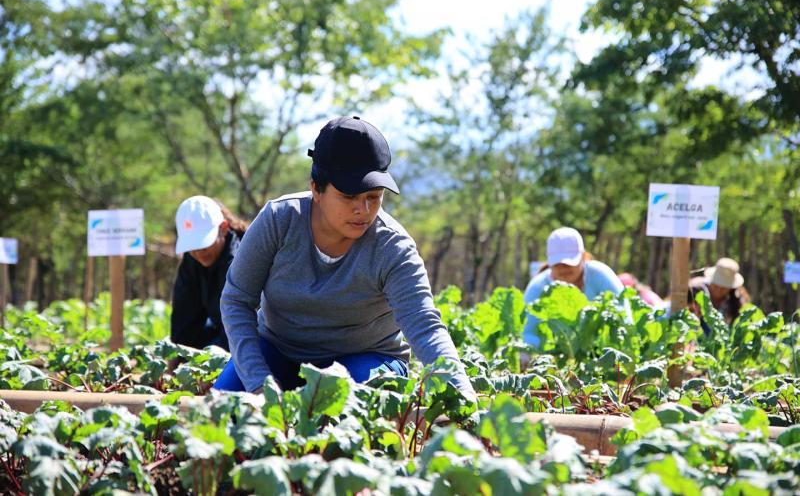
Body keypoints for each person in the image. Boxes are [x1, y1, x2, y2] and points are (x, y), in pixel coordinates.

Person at [213, 115, 474, 398]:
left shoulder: (393, 247)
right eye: (349, 196)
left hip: (367, 360)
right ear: (316, 188)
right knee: (228, 410)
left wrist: (461, 396)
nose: (363, 209)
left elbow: (424, 325)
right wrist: (257, 381)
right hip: (280, 353)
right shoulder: (279, 221)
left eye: (374, 196)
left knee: (347, 414)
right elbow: (237, 300)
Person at [522, 227, 625, 346]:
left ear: (582, 256)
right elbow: (528, 332)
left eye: (569, 263)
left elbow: (623, 318)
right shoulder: (538, 287)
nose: (564, 268)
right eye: (558, 264)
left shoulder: (600, 275)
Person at [170, 196, 248, 351]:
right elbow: (184, 318)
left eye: (204, 244)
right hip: (218, 332)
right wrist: (177, 357)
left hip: (249, 340)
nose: (198, 253)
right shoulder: (191, 260)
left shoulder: (242, 258)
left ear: (224, 228)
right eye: (192, 246)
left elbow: (241, 326)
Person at [688, 257, 750, 330]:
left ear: (730, 288)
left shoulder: (737, 300)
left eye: (724, 287)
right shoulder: (695, 289)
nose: (719, 289)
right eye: (716, 285)